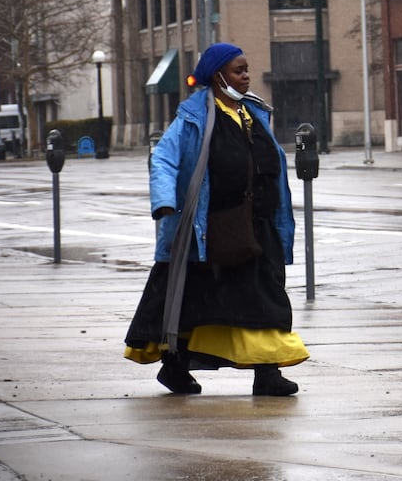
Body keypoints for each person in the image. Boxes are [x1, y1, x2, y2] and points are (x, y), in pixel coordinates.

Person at [124, 43, 308, 395]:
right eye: (238, 70)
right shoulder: (193, 117)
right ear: (217, 76)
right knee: (196, 302)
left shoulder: (254, 112)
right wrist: (164, 204)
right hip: (211, 231)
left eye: (247, 69)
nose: (246, 76)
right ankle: (176, 367)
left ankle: (267, 373)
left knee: (265, 298)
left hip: (258, 225)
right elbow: (163, 159)